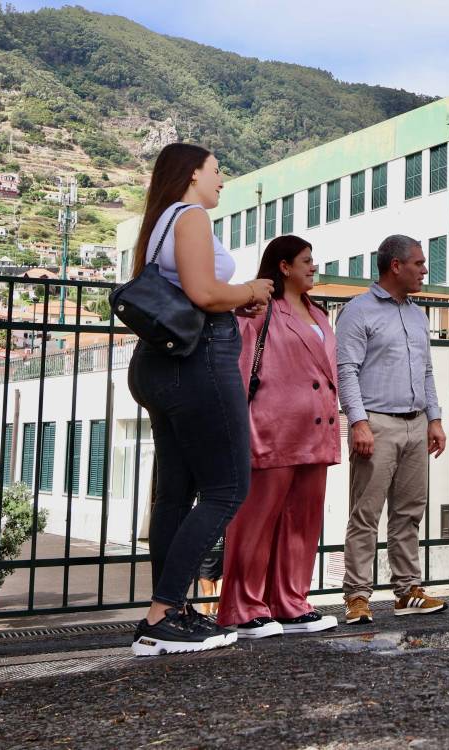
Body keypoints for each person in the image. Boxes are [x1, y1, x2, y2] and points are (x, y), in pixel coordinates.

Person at [125, 143, 274, 656]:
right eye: (216, 171)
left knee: (174, 494)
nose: (221, 180)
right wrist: (251, 288)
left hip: (163, 364)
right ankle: (162, 613)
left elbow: (194, 297)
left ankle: (171, 612)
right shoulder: (189, 217)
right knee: (228, 487)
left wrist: (234, 306)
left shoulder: (159, 223)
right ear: (192, 174)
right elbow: (206, 294)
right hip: (198, 364)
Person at [217, 235, 340, 638]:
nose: (314, 266)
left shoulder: (320, 314)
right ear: (284, 266)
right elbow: (238, 368)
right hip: (272, 426)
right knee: (256, 519)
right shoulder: (259, 309)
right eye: (306, 260)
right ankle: (242, 606)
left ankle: (290, 601)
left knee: (303, 521)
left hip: (317, 427)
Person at [336, 235, 449, 624]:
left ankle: (407, 591)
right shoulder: (357, 311)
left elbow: (427, 370)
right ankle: (357, 596)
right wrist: (359, 422)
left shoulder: (418, 314)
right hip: (377, 423)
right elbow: (346, 370)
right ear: (395, 266)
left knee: (409, 513)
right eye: (418, 263)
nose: (424, 269)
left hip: (416, 422)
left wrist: (434, 418)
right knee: (365, 514)